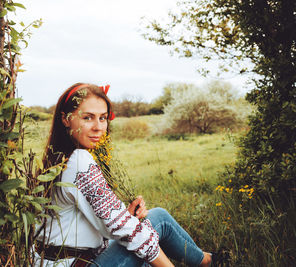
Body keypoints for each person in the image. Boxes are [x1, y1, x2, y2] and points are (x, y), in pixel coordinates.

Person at [34, 83, 213, 267]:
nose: (98, 127)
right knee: (157, 221)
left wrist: (125, 216)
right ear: (65, 119)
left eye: (103, 118)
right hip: (75, 263)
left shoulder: (58, 158)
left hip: (60, 260)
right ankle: (208, 261)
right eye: (88, 118)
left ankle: (206, 259)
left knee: (143, 234)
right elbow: (127, 230)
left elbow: (99, 225)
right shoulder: (79, 160)